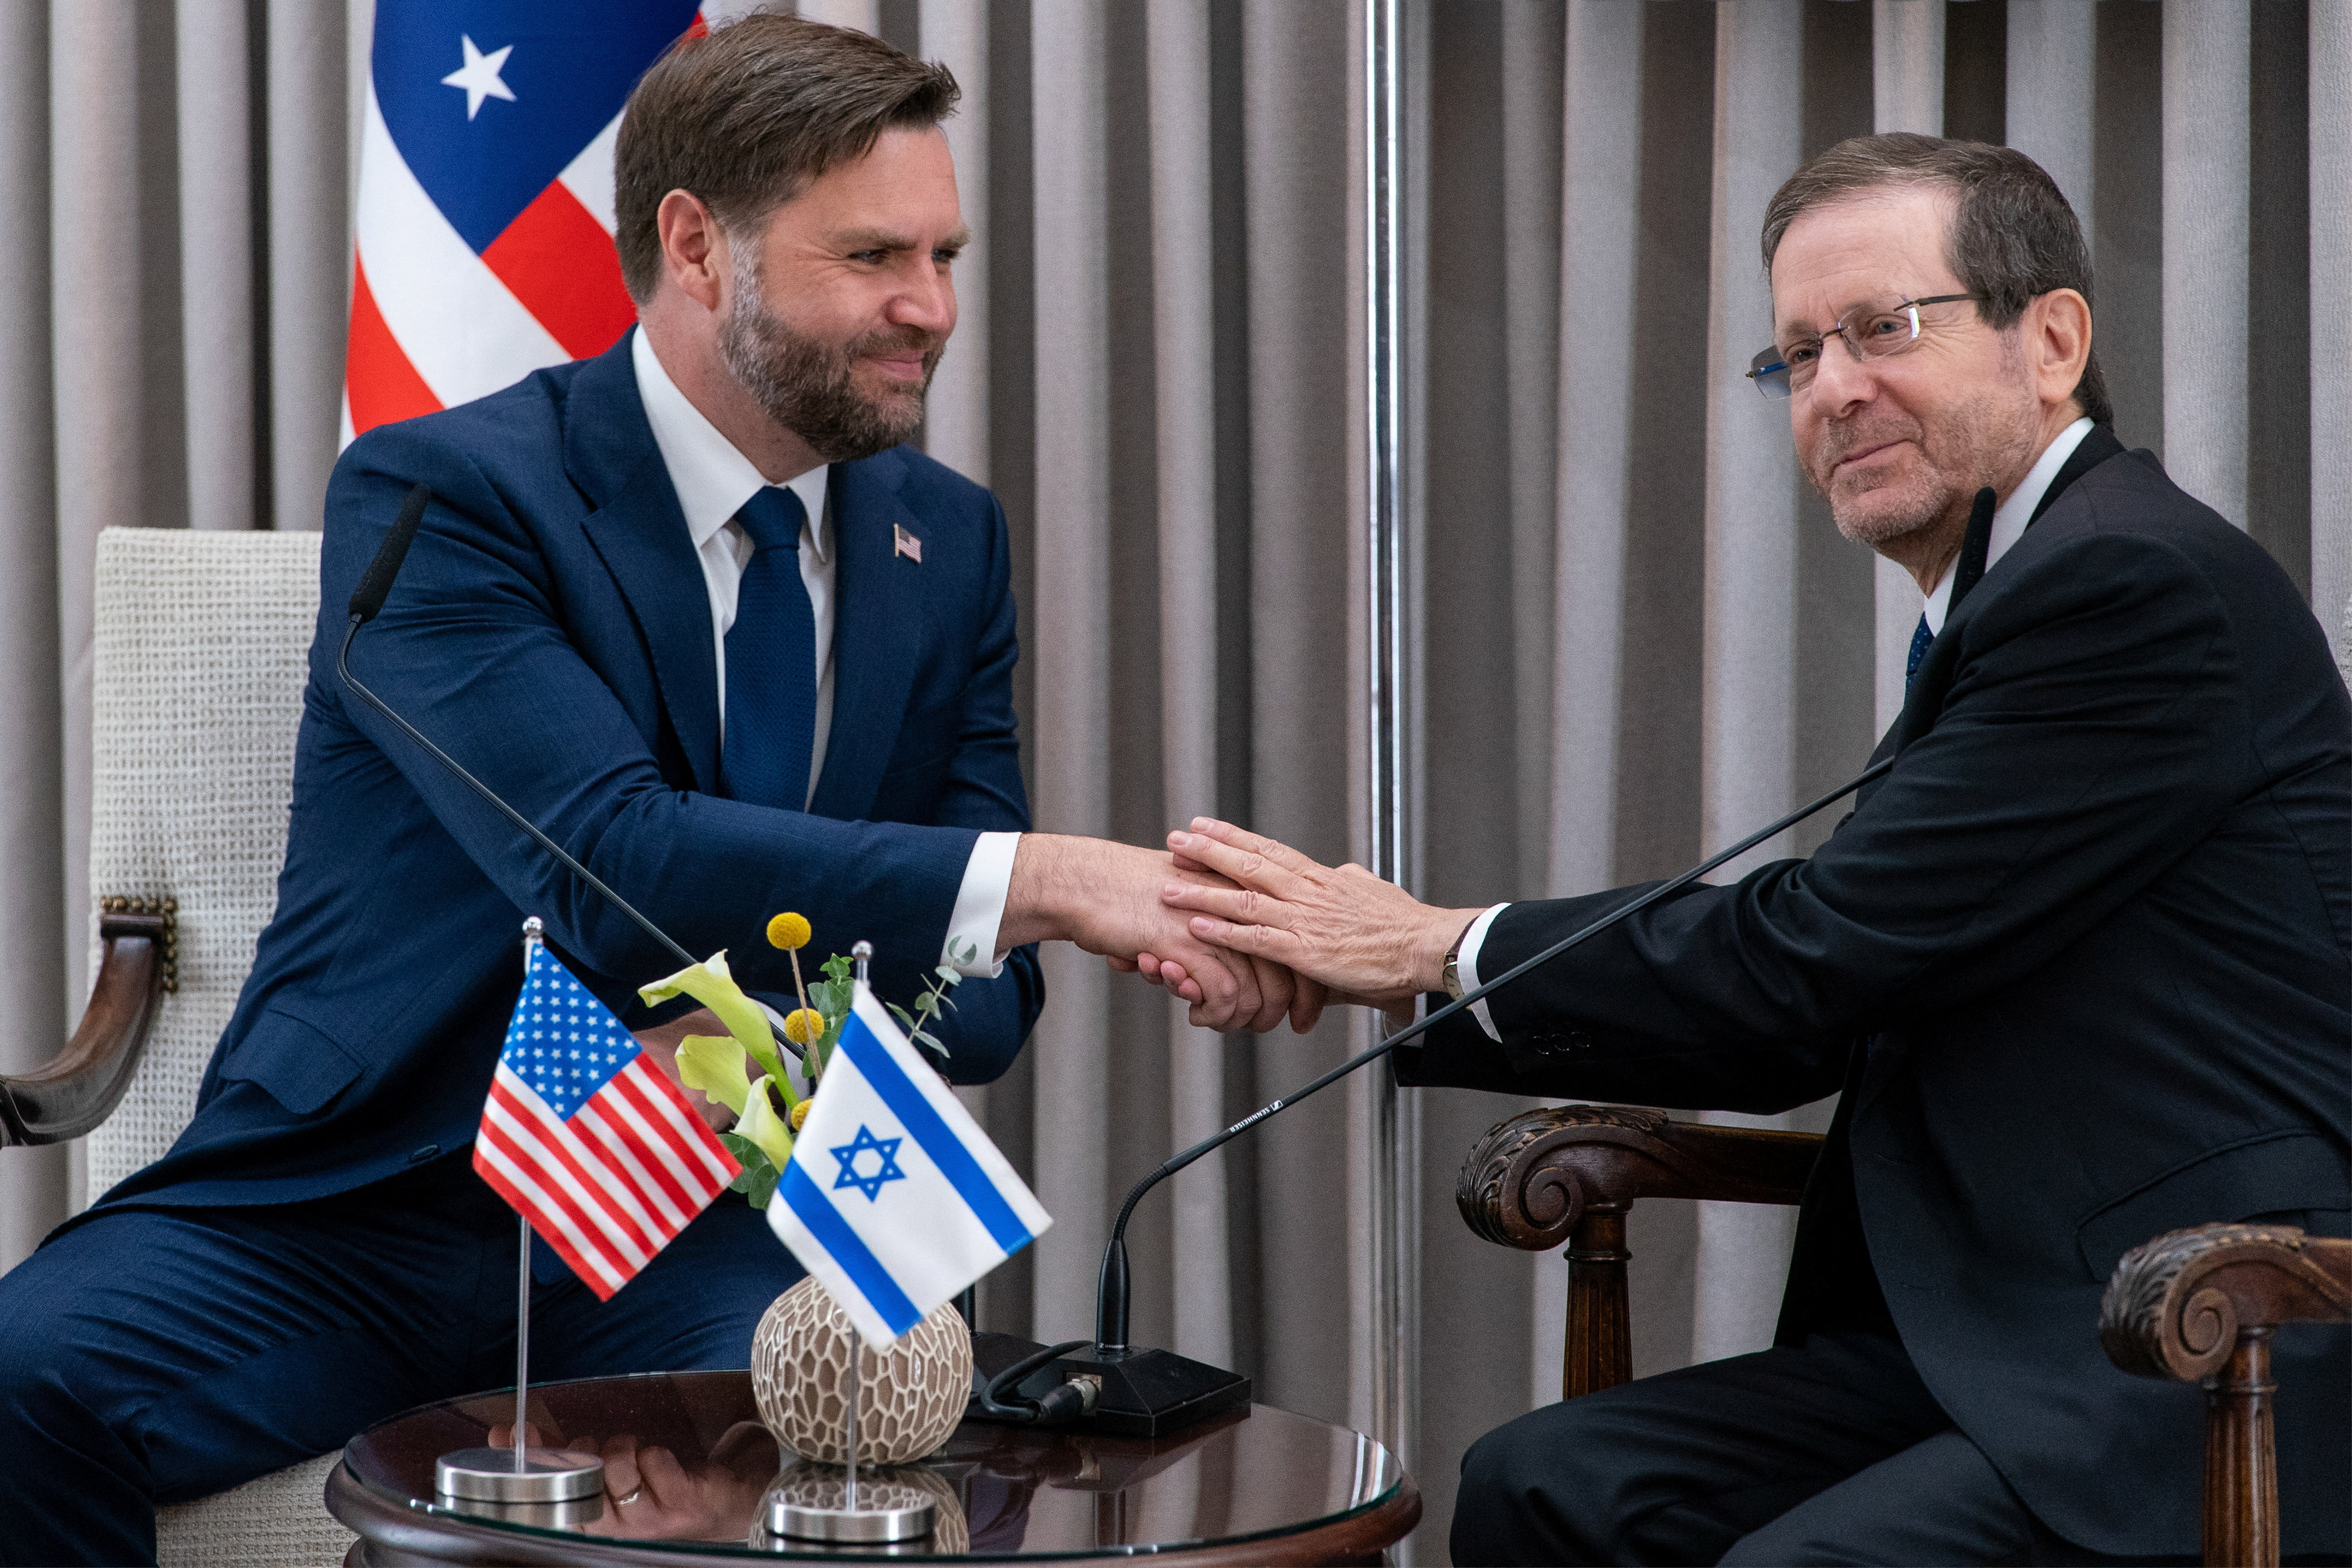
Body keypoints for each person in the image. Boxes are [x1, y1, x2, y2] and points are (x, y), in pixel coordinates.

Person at [0, 17, 1313, 1565]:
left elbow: (989, 1002)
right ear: (698, 245)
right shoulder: (454, 495)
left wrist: (845, 995)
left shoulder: (943, 542)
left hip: (706, 1216)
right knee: (23, 1380)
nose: (932, 310)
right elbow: (610, 862)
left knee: (841, 1440)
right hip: (368, 1198)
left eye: (946, 254)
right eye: (875, 256)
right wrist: (1064, 883)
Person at [1148, 135, 2350, 1565]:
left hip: (2202, 1342)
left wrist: (1429, 943)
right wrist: (1404, 971)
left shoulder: (2125, 582)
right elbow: (1813, 1015)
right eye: (1798, 353)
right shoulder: (2019, 587)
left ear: (2053, 339)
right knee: (1547, 1481)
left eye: (1883, 330)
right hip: (2016, 1327)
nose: (1836, 388)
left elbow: (1814, 956)